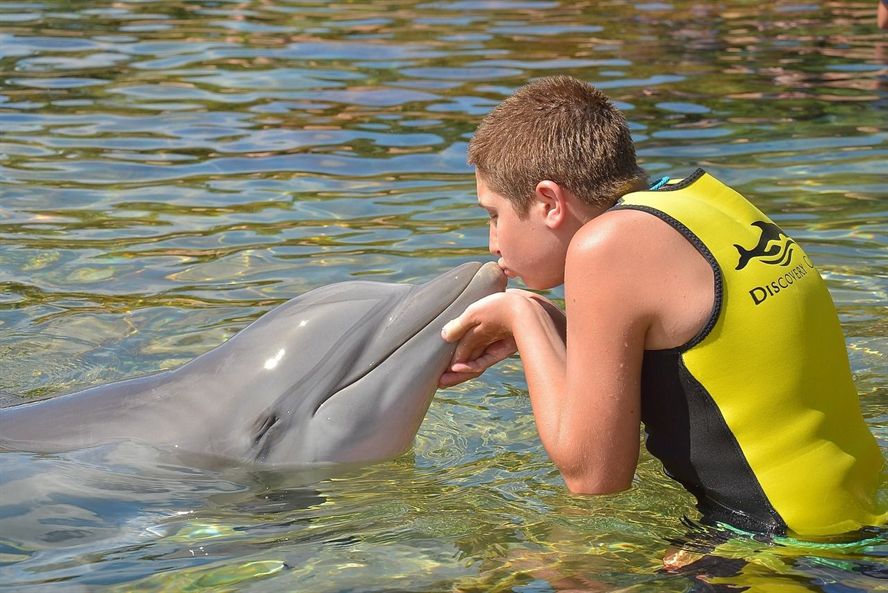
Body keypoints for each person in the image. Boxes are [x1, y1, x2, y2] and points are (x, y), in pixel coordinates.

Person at [438, 75, 885, 537]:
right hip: (858, 504)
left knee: (560, 574)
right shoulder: (699, 199)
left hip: (787, 548)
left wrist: (523, 314)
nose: (492, 242)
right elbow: (697, 361)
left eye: (494, 215)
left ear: (550, 201)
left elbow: (594, 478)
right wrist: (551, 327)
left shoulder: (604, 245)